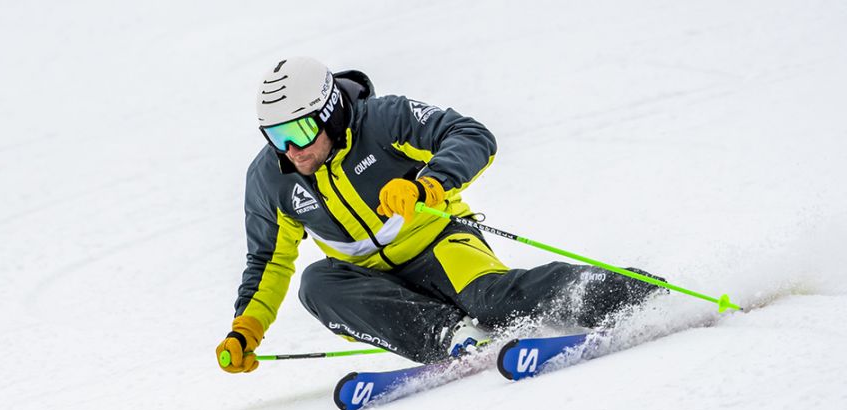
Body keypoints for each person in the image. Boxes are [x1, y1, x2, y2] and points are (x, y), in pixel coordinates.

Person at [216, 57, 661, 373]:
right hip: (373, 283)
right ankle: (453, 337)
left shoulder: (383, 121)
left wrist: (426, 184)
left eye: (298, 131)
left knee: (493, 299)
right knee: (317, 284)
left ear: (330, 114)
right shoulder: (271, 179)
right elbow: (269, 260)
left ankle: (639, 296)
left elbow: (471, 135)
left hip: (441, 244)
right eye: (275, 136)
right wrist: (247, 329)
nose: (291, 150)